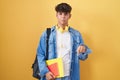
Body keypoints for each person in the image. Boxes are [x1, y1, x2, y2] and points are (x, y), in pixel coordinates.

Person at [37, 3, 91, 80]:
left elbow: (82, 57)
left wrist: (83, 49)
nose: (63, 16)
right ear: (56, 15)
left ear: (70, 16)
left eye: (66, 14)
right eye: (60, 13)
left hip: (70, 76)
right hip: (52, 76)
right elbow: (40, 54)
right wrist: (45, 72)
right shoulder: (47, 34)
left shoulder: (76, 35)